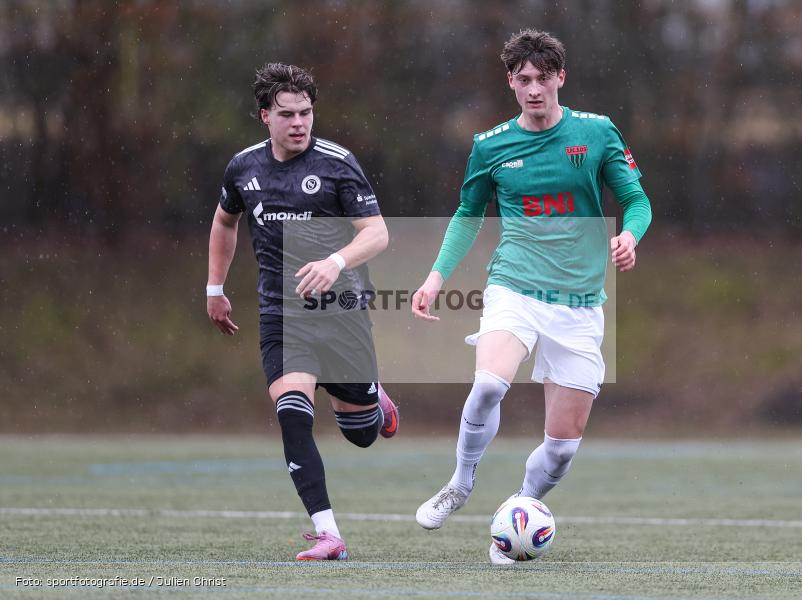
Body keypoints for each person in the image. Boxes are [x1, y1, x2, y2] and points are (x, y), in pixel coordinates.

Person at [411, 30, 652, 565]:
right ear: (511, 83)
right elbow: (467, 214)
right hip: (514, 285)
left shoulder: (597, 133)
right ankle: (460, 481)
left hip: (581, 301)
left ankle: (519, 511)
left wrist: (630, 235)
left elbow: (637, 201)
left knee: (563, 449)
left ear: (560, 78)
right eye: (524, 80)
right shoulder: (491, 145)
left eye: (544, 79)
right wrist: (435, 276)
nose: (535, 89)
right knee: (488, 385)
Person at [206, 62, 399, 561]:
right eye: (288, 114)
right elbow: (225, 222)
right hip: (282, 317)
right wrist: (214, 287)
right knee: (293, 415)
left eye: (307, 112)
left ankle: (372, 397)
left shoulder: (337, 163)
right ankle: (328, 532)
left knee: (360, 436)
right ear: (264, 116)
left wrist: (335, 262)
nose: (300, 123)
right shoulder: (244, 168)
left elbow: (377, 232)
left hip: (341, 313)